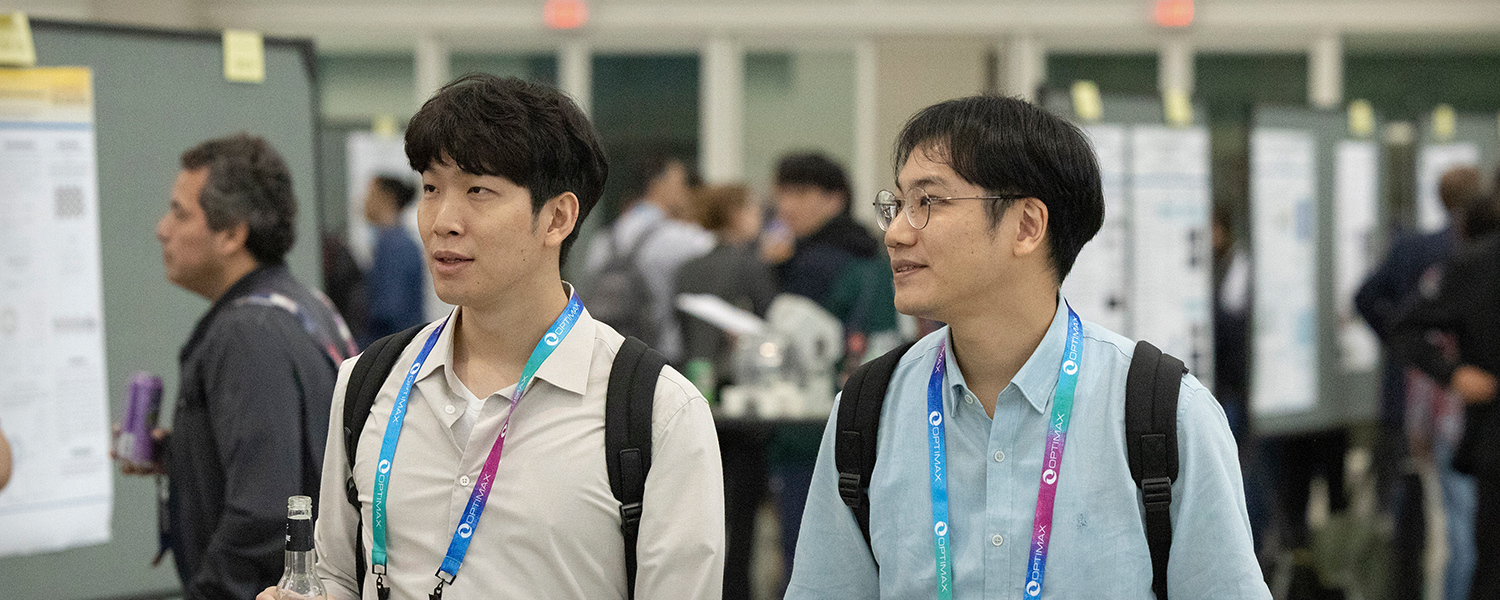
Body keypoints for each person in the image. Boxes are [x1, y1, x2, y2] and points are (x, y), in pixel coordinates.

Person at [786, 95, 1268, 599]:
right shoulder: (869, 411)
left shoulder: (1164, 414)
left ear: (1027, 226)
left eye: (928, 202)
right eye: (899, 205)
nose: (897, 233)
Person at [265, 74, 724, 600]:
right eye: (431, 189)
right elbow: (338, 576)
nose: (442, 221)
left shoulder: (656, 412)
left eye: (478, 191)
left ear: (557, 217)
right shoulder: (368, 383)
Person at [133, 133, 356, 599]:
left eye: (180, 213)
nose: (162, 229)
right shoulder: (306, 304)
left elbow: (264, 511)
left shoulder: (247, 332)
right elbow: (292, 454)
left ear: (232, 234)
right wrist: (185, 454)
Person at [1357, 165, 1482, 599]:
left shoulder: (1416, 250)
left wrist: (1399, 345)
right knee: (1462, 526)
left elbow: (1367, 297)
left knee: (1417, 510)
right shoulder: (1464, 258)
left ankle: (1404, 587)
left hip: (1419, 398)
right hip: (1452, 405)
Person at [1392, 192, 1500, 600]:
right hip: (1492, 445)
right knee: (1484, 565)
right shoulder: (1477, 264)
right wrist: (1454, 374)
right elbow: (1404, 327)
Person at [675, 184, 777, 600]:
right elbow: (769, 324)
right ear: (736, 214)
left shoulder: (688, 267)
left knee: (703, 508)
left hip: (697, 391)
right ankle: (738, 589)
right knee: (744, 510)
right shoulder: (750, 264)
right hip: (743, 397)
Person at [583, 154, 714, 363]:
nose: (686, 191)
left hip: (609, 353)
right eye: (680, 183)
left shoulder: (606, 238)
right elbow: (720, 249)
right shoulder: (676, 238)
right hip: (658, 353)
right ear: (658, 185)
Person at [361, 174, 426, 345]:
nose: (364, 202)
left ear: (387, 197)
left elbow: (389, 310)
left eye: (370, 194)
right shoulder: (396, 242)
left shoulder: (394, 245)